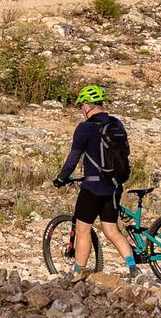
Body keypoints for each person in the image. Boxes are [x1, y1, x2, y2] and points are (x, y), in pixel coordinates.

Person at [54, 84, 137, 279]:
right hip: (114, 187)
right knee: (111, 229)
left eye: (81, 105)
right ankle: (133, 268)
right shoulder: (117, 124)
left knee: (83, 229)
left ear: (86, 105)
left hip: (92, 187)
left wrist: (61, 178)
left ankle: (77, 271)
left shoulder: (85, 128)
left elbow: (73, 158)